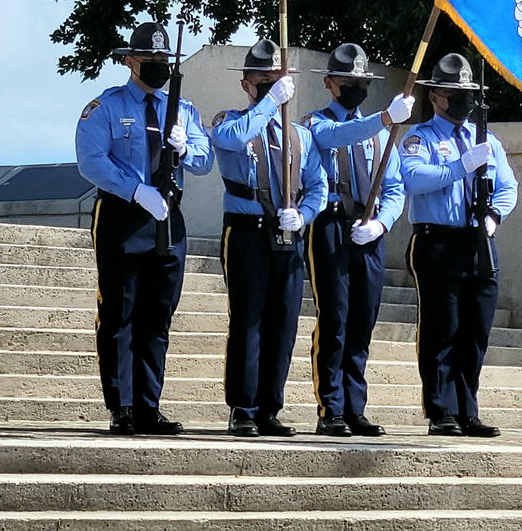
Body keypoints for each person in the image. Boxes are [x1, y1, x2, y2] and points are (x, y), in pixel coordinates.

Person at [75, 21, 213, 435]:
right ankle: (122, 406)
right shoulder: (109, 106)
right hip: (124, 213)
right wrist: (135, 191)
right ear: (130, 61)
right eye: (150, 60)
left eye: (164, 60)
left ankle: (149, 405)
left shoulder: (183, 111)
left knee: (159, 313)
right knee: (120, 311)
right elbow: (91, 160)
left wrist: (185, 147)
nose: (158, 67)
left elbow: (205, 160)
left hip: (168, 215)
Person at [210, 38, 328, 437]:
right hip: (247, 232)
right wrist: (266, 103)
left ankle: (268, 407)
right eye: (263, 80)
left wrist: (305, 215)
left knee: (283, 323)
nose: (271, 85)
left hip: (286, 236)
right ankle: (242, 407)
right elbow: (231, 139)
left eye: (277, 79)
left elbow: (318, 185)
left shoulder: (300, 135)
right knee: (248, 322)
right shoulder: (231, 120)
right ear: (247, 84)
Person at [398, 52, 518, 437]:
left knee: (475, 330)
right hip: (438, 240)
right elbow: (413, 178)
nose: (463, 100)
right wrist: (460, 167)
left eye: (468, 92)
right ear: (436, 97)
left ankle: (469, 409)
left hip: (478, 240)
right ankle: (441, 410)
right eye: (455, 93)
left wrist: (494, 216)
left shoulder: (487, 141)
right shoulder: (421, 137)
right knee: (441, 328)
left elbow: (509, 187)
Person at [303, 43, 411, 437]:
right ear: (330, 83)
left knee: (363, 320)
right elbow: (337, 137)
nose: (355, 88)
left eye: (362, 82)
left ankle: (354, 406)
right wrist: (384, 118)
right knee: (334, 318)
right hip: (330, 224)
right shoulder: (315, 123)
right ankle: (329, 406)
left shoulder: (382, 134)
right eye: (348, 82)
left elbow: (395, 187)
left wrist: (382, 223)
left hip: (368, 228)